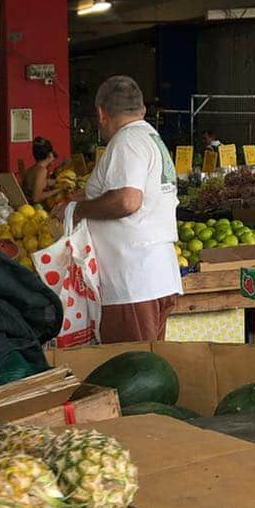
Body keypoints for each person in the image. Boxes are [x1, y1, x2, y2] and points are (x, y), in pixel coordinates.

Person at [68, 75, 181, 343]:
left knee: (133, 371)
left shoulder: (126, 141)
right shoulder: (149, 137)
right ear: (141, 109)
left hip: (132, 281)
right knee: (151, 369)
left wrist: (79, 210)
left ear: (101, 113)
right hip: (153, 274)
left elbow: (127, 200)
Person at [22, 137, 56, 204]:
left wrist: (51, 182)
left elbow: (35, 183)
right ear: (49, 154)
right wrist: (59, 190)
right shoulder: (42, 171)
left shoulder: (32, 169)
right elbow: (36, 198)